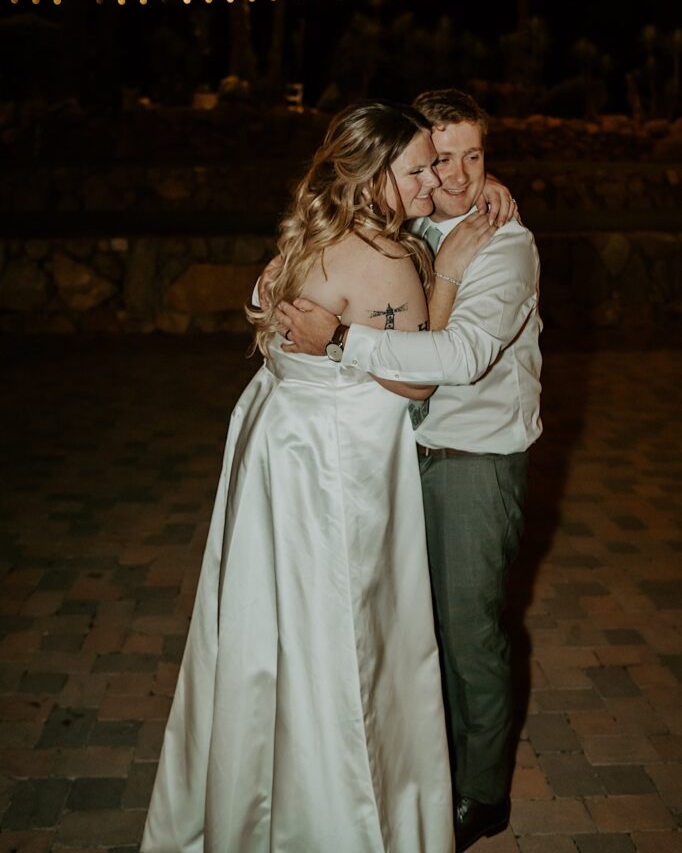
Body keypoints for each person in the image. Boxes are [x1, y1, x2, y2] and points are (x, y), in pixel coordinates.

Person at [141, 100, 500, 853]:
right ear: (372, 177)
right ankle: (344, 817)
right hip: (339, 467)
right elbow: (416, 379)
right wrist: (452, 273)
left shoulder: (315, 234)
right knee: (350, 639)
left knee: (271, 629)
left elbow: (272, 304)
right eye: (416, 171)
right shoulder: (391, 258)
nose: (432, 183)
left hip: (278, 447)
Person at [277, 88, 542, 853]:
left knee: (469, 637)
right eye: (442, 158)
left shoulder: (507, 244)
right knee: (409, 631)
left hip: (472, 463)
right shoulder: (417, 222)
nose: (457, 176)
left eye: (475, 158)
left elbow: (456, 357)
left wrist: (338, 341)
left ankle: (482, 797)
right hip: (396, 457)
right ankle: (425, 775)